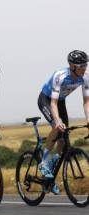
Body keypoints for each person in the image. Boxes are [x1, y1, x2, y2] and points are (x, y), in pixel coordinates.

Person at [38, 50, 89, 195]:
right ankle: (43, 161)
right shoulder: (60, 76)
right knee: (57, 126)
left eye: (85, 65)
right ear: (72, 66)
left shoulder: (85, 77)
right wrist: (58, 121)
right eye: (81, 66)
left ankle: (50, 178)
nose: (84, 68)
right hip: (46, 100)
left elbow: (86, 102)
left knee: (64, 138)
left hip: (61, 101)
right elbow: (52, 103)